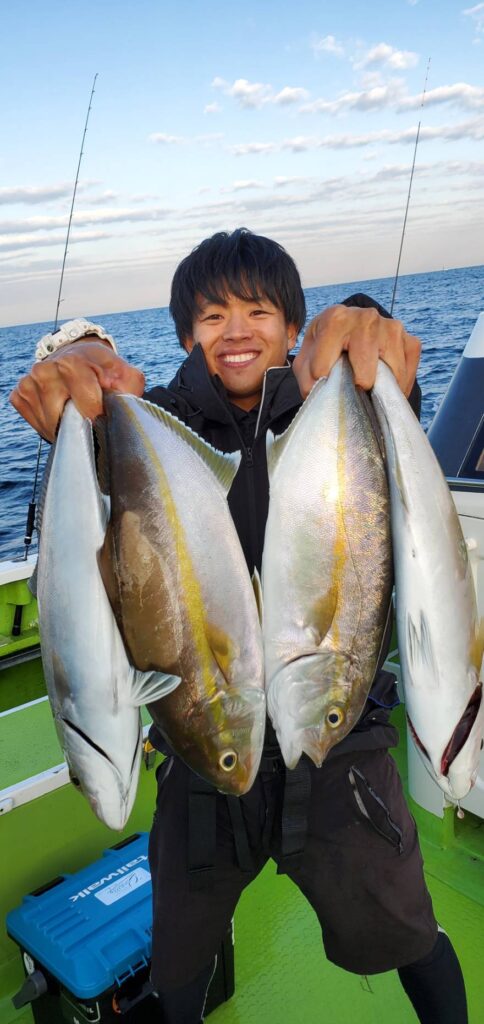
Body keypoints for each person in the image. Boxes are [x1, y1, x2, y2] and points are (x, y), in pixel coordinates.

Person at [10, 229, 467, 1024]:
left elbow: (372, 360)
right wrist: (78, 359)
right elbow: (93, 383)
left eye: (259, 311)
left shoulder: (337, 405)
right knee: (179, 958)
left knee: (408, 929)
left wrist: (366, 326)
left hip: (339, 752)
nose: (237, 331)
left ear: (293, 328)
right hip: (201, 748)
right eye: (213, 316)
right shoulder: (157, 422)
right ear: (186, 334)